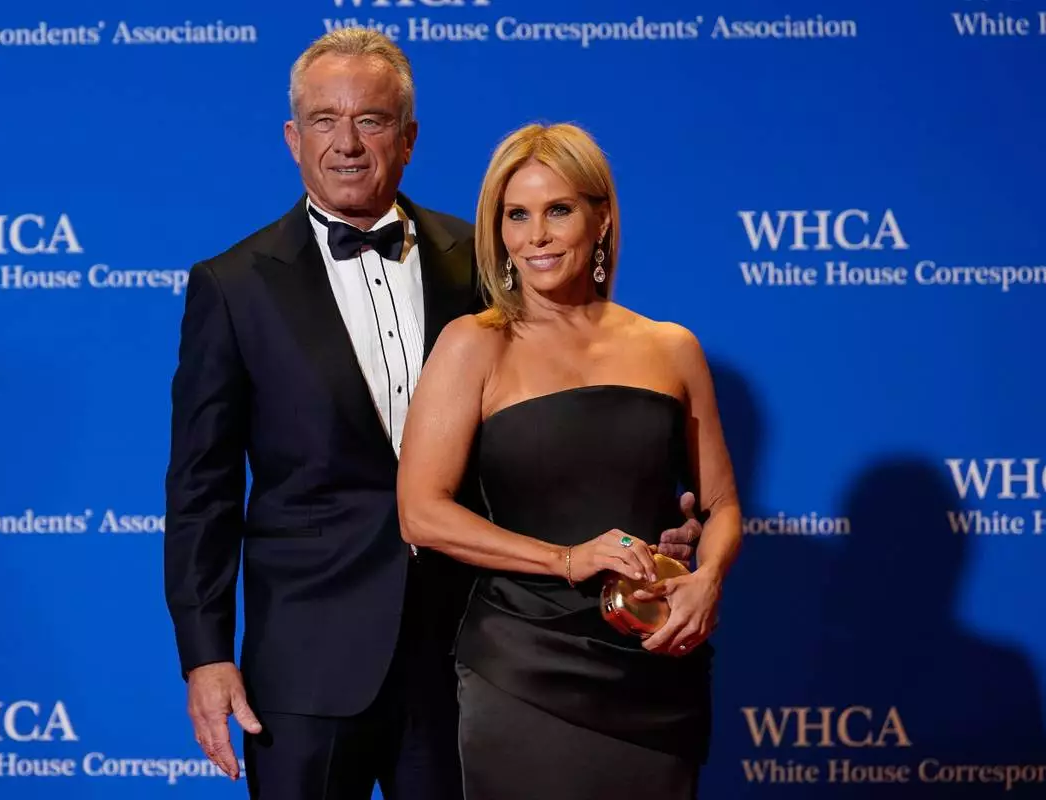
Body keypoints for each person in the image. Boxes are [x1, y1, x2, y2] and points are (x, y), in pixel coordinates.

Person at [164, 29, 705, 800]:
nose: (347, 144)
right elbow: (200, 490)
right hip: (308, 664)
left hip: (473, 650)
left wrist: (662, 525)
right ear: (292, 138)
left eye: (372, 120)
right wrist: (205, 655)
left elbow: (560, 427)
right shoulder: (233, 285)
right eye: (324, 120)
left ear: (409, 138)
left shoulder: (486, 260)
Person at [397, 122, 742, 799]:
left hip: (654, 659)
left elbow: (722, 505)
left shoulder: (672, 348)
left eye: (558, 210)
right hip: (522, 662)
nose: (537, 236)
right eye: (516, 215)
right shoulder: (473, 345)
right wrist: (563, 559)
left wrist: (709, 579)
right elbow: (420, 514)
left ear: (601, 218)